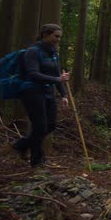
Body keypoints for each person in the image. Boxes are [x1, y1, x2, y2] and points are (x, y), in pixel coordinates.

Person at [12, 24, 70, 167]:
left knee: (51, 126)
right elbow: (33, 74)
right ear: (45, 34)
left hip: (48, 93)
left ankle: (21, 145)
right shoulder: (32, 51)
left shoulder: (54, 53)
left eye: (60, 37)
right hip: (32, 92)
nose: (58, 39)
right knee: (40, 127)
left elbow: (58, 75)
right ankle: (37, 161)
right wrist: (57, 79)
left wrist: (64, 95)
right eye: (56, 36)